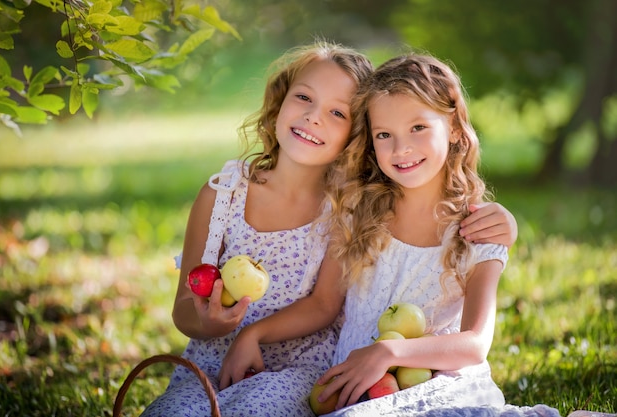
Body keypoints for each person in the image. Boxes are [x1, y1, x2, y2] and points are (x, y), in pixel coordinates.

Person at [142, 42, 518, 417]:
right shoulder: (236, 197)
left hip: (320, 370)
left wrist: (506, 224)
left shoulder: (350, 207)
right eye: (303, 97)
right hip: (224, 365)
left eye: (337, 112)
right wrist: (214, 324)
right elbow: (185, 309)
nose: (313, 117)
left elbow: (326, 305)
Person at [220, 53, 561, 417]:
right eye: (384, 134)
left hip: (435, 384)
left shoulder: (476, 230)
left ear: (456, 130)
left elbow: (475, 343)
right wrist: (252, 333)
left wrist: (390, 352)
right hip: (355, 388)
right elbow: (324, 304)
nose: (401, 149)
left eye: (418, 128)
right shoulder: (357, 211)